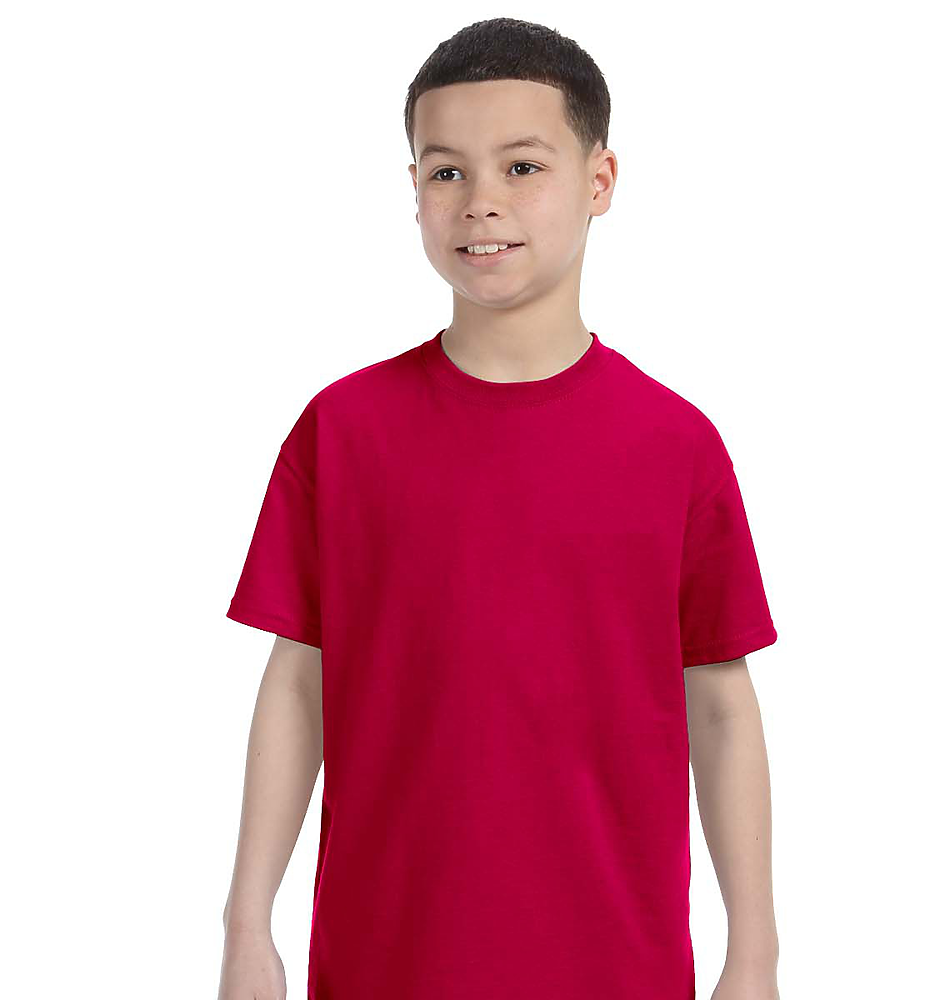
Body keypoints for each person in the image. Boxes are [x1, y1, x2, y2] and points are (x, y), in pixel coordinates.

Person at [219, 17, 780, 1000]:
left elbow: (722, 706)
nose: (481, 201)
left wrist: (755, 957)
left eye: (523, 167)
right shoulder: (341, 432)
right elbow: (298, 682)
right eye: (447, 172)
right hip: (384, 962)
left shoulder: (676, 446)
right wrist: (246, 925)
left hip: (617, 968)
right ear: (414, 190)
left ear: (600, 180)